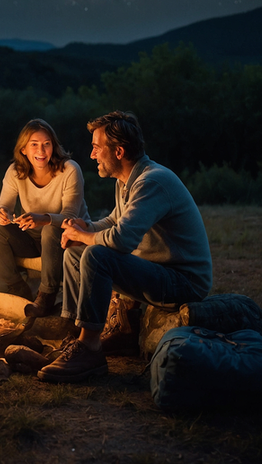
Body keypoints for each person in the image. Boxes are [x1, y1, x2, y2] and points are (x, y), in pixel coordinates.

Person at [38, 110, 212, 383]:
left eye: (96, 147)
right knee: (74, 251)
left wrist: (87, 237)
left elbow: (121, 239)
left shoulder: (151, 182)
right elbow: (115, 221)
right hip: (155, 271)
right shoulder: (127, 180)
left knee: (96, 255)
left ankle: (90, 351)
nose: (92, 154)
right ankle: (76, 336)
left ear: (118, 151)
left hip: (183, 282)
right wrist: (86, 228)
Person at [0, 118, 90, 317]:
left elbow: (70, 217)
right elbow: (1, 206)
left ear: (53, 146)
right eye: (34, 145)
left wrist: (43, 218)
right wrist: (1, 214)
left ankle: (46, 295)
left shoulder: (70, 170)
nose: (41, 151)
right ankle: (17, 287)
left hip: (67, 240)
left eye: (46, 144)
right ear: (24, 149)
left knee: (51, 229)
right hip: (33, 239)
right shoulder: (15, 172)